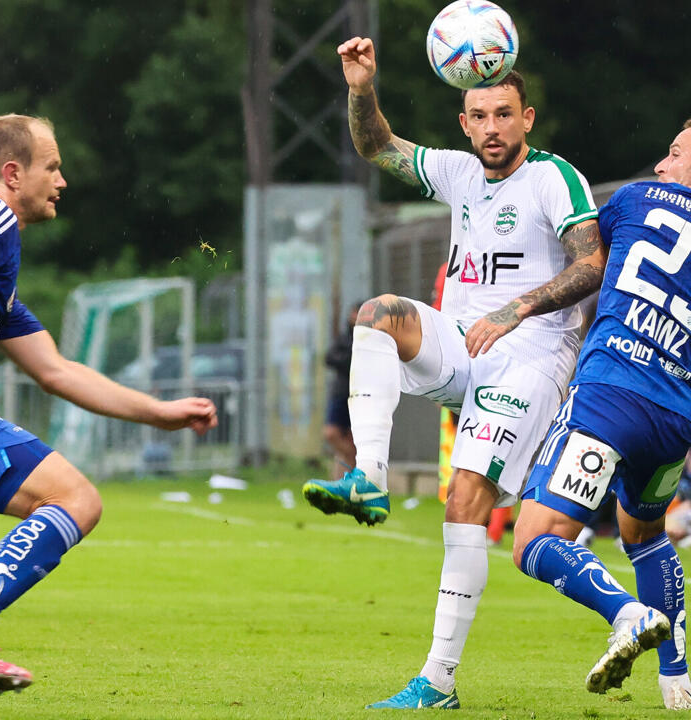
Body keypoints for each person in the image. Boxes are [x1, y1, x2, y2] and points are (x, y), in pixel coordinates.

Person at [303, 36, 606, 709]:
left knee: (465, 497)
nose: (493, 127)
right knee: (379, 311)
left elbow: (591, 264)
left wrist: (518, 307)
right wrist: (360, 87)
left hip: (529, 355)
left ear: (527, 118)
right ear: (463, 123)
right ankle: (368, 480)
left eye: (505, 113)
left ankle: (436, 681)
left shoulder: (553, 177)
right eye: (480, 116)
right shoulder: (457, 172)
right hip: (465, 343)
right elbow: (378, 146)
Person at [0, 114, 218, 693]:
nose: (62, 180)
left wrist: (161, 413)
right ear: (13, 173)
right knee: (74, 498)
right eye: (51, 167)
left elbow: (57, 371)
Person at [514, 122, 691, 710]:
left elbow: (586, 258)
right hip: (675, 419)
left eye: (673, 153)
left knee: (535, 541)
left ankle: (628, 614)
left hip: (609, 396)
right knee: (644, 533)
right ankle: (678, 679)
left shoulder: (639, 198)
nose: (661, 164)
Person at [323, 302, 360, 479]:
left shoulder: (370, 338)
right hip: (340, 393)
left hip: (358, 395)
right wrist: (350, 360)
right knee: (332, 434)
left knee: (353, 437)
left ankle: (346, 481)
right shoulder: (345, 338)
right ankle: (351, 459)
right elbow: (330, 358)